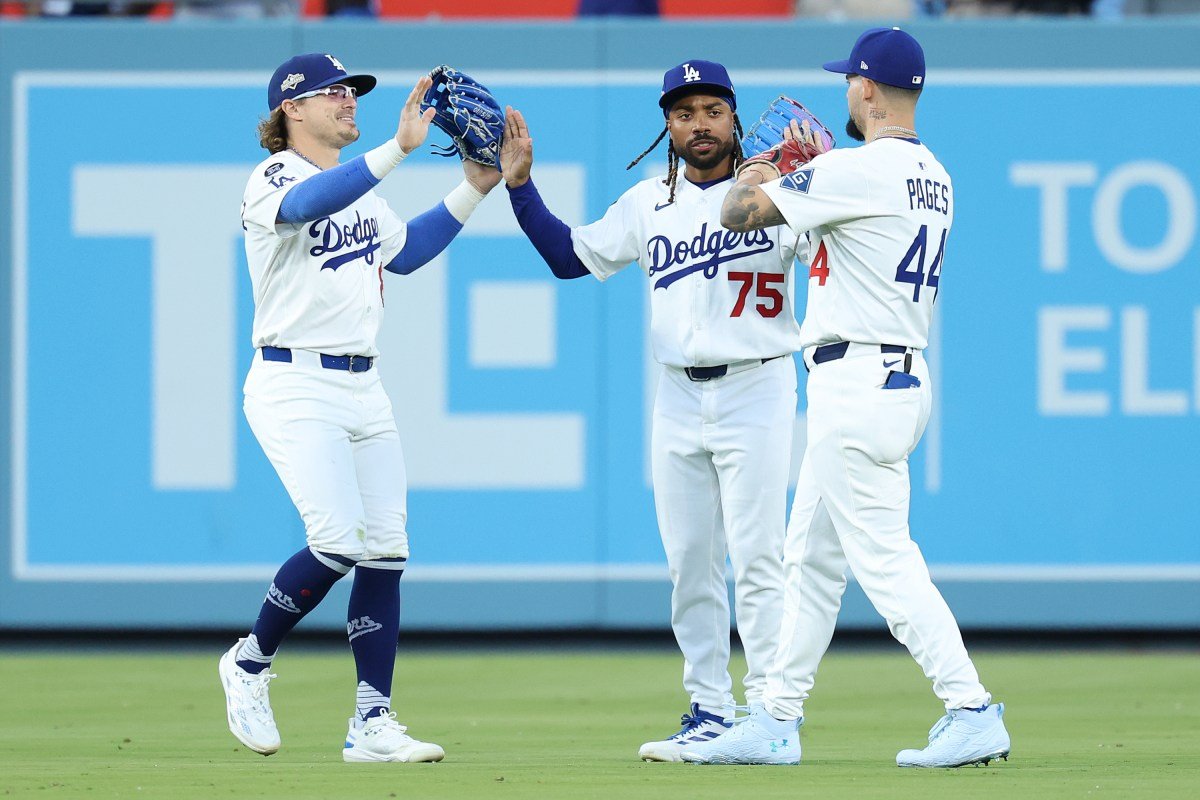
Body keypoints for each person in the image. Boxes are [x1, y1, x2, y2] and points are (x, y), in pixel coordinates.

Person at [680, 28, 1011, 768]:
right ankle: (774, 718)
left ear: (866, 89)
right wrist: (817, 174)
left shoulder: (862, 171)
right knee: (812, 560)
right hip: (890, 376)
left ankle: (970, 705)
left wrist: (765, 165)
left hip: (856, 382)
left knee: (884, 560)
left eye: (849, 82)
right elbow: (844, 236)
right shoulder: (932, 173)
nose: (845, 92)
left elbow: (736, 213)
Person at [500, 60, 803, 762]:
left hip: (757, 386)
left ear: (735, 118)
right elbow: (570, 258)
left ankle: (770, 713)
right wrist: (520, 187)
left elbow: (842, 249)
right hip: (676, 395)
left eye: (712, 109)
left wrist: (826, 179)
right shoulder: (646, 204)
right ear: (667, 125)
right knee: (690, 561)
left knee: (758, 557)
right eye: (684, 111)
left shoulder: (783, 195)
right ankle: (708, 708)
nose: (699, 123)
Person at [219, 52, 501, 763]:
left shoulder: (366, 194)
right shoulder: (275, 175)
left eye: (352, 91)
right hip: (292, 380)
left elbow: (403, 255)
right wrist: (398, 150)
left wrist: (474, 188)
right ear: (292, 108)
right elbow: (311, 204)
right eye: (332, 92)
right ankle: (249, 662)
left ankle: (372, 723)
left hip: (361, 384)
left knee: (386, 549)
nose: (349, 100)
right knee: (338, 537)